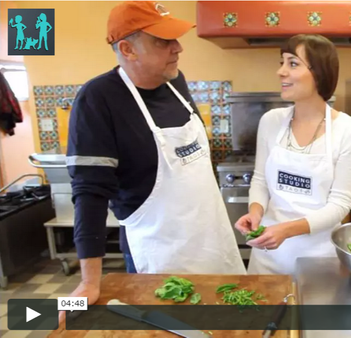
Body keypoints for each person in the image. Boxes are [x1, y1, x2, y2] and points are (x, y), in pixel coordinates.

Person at [62, 0, 245, 320]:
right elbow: (90, 194)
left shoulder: (176, 82)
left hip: (212, 240)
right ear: (127, 49)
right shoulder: (98, 99)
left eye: (175, 39)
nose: (178, 48)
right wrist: (89, 282)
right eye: (163, 41)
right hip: (160, 253)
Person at [235, 34, 351, 275]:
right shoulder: (271, 121)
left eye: (293, 63)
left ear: (320, 72)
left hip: (318, 258)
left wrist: (286, 230)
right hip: (268, 255)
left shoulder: (349, 131)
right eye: (281, 62)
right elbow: (261, 180)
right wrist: (255, 212)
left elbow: (340, 205)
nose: (281, 72)